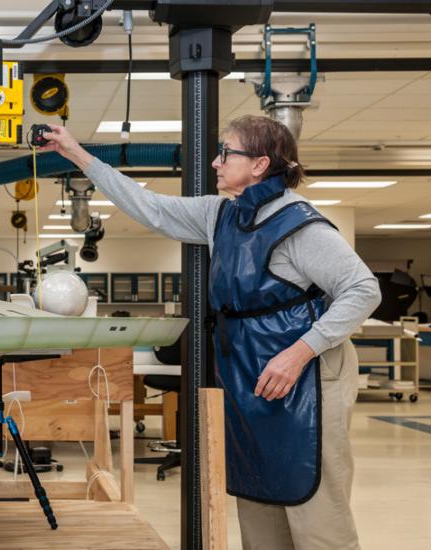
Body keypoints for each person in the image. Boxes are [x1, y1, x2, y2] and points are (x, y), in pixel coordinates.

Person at [40, 115, 379, 550]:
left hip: (309, 377)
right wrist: (78, 154)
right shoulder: (220, 214)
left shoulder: (300, 225)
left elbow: (362, 289)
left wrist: (299, 352)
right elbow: (151, 207)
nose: (216, 162)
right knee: (259, 498)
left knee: (314, 505)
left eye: (227, 152)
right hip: (250, 375)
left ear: (259, 164)